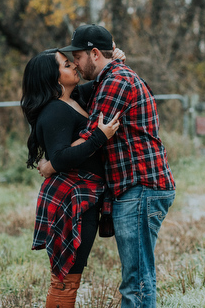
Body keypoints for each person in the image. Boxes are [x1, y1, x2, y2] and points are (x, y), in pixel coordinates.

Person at [39, 24, 176, 308]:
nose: (75, 63)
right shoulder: (108, 79)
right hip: (135, 187)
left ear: (94, 53)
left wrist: (53, 164)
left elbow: (93, 136)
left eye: (76, 56)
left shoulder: (116, 81)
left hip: (140, 187)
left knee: (136, 280)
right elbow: (74, 98)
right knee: (137, 277)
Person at [21, 48, 121, 308]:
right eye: (66, 65)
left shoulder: (74, 98)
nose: (74, 67)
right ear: (52, 78)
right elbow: (60, 157)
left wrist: (115, 59)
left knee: (71, 272)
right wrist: (100, 136)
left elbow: (101, 80)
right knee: (66, 277)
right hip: (71, 198)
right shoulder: (55, 111)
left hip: (84, 195)